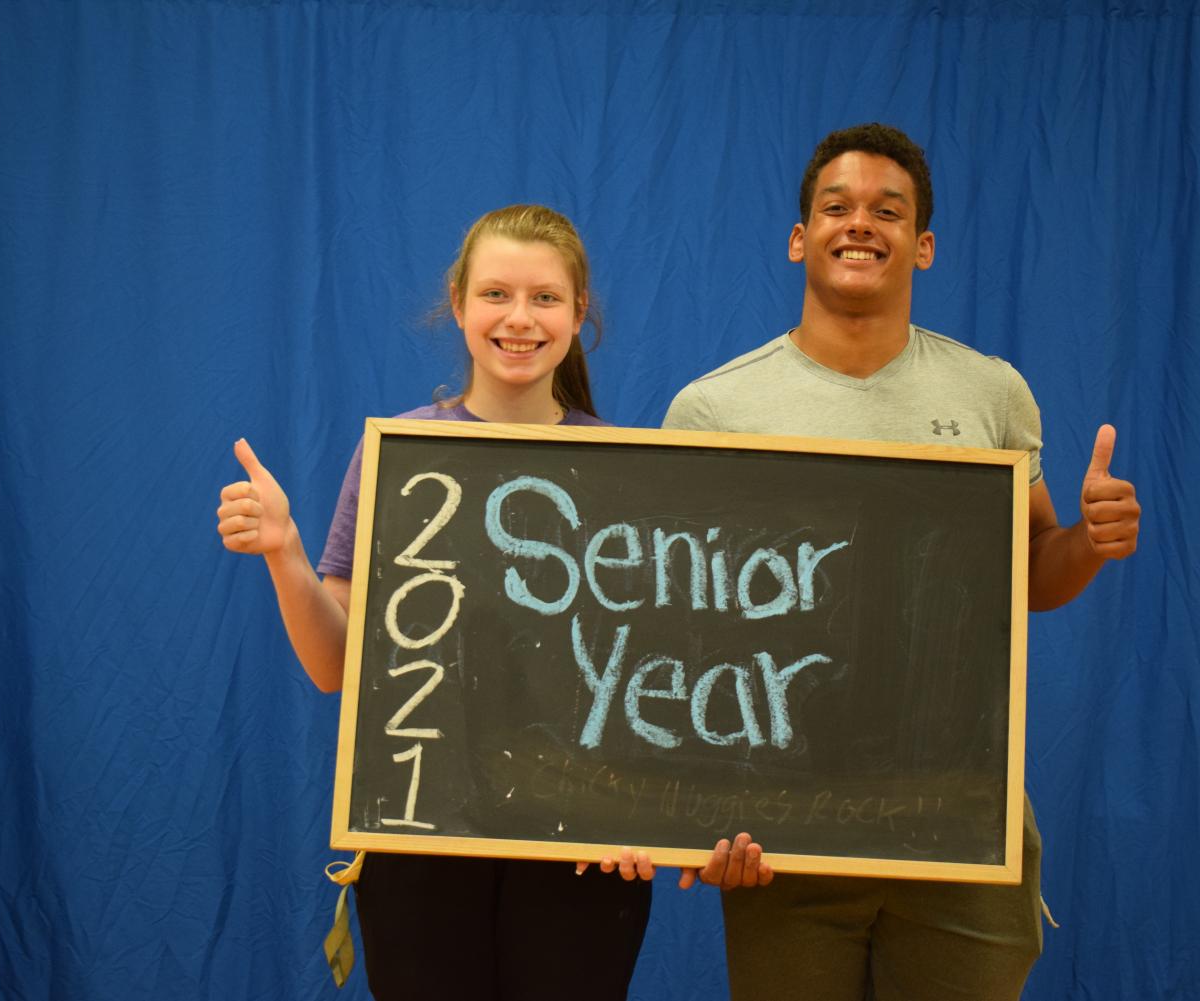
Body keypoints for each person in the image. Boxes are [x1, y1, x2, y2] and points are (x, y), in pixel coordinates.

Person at [662, 124, 1142, 1001]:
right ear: (799, 236)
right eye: (835, 207)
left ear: (921, 245)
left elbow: (1031, 573)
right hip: (782, 835)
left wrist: (1089, 540)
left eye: (888, 211)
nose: (860, 224)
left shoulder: (989, 392)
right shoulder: (713, 408)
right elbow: (685, 633)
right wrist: (703, 809)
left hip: (958, 824)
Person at [215, 204, 653, 1001]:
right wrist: (284, 552)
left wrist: (645, 811)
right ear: (457, 303)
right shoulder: (399, 452)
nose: (519, 319)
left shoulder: (625, 472)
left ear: (578, 312)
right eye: (495, 294)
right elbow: (332, 666)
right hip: (419, 838)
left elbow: (647, 685)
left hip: (582, 852)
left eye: (545, 298)